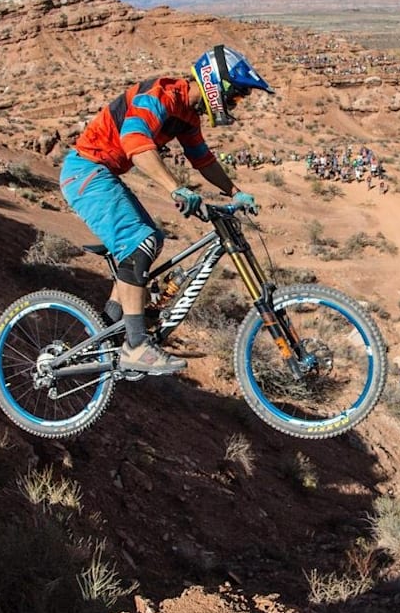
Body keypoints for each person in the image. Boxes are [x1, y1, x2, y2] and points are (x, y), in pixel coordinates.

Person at [59, 44, 271, 375]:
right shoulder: (159, 95)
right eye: (237, 95)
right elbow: (134, 141)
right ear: (215, 82)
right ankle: (136, 346)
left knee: (151, 239)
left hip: (101, 173)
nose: (235, 103)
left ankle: (107, 329)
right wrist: (175, 188)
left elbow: (203, 159)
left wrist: (236, 192)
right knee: (139, 240)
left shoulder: (187, 115)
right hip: (86, 171)